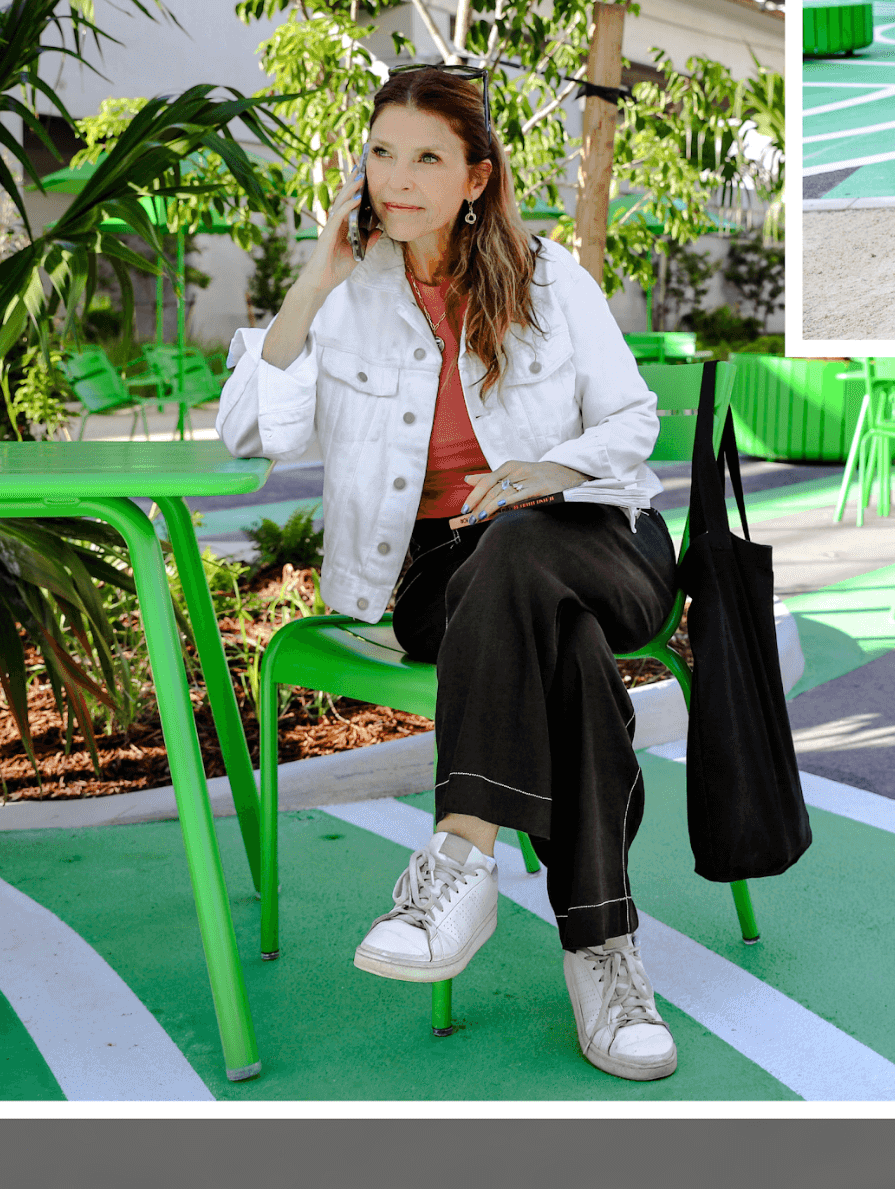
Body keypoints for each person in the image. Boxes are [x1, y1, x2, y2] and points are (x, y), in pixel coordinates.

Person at [216, 66, 680, 1081]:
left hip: (594, 532)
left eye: (427, 156)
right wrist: (314, 278)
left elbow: (634, 420)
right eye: (382, 151)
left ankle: (462, 851)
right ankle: (602, 949)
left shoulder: (552, 279)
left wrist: (545, 471)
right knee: (565, 648)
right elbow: (249, 432)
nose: (398, 177)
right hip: (443, 575)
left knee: (526, 549)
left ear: (476, 176)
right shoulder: (349, 300)